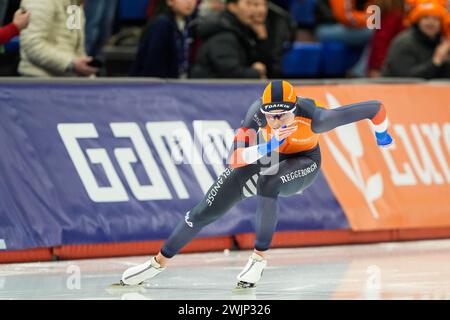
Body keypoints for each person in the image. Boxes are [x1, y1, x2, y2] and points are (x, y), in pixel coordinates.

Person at [118, 80, 394, 289]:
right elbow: (237, 159)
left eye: (283, 116)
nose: (275, 121)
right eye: (270, 116)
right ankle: (158, 262)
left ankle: (259, 258)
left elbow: (376, 108)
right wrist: (272, 142)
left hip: (303, 161)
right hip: (266, 153)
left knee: (268, 182)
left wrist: (382, 136)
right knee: (204, 211)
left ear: (294, 109)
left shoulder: (317, 118)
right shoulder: (256, 116)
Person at [18, 0, 98, 77]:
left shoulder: (74, 3)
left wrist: (88, 74)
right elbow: (32, 45)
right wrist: (70, 63)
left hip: (68, 81)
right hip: (39, 82)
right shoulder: (39, 1)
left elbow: (77, 48)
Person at [190, 0, 267, 79]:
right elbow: (229, 72)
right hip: (208, 89)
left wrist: (261, 40)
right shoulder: (224, 34)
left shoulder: (241, 29)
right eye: (248, 4)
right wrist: (256, 73)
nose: (253, 9)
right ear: (232, 6)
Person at [382, 0, 450, 78]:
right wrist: (436, 61)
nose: (431, 23)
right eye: (426, 18)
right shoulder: (404, 42)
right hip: (395, 89)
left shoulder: (442, 43)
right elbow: (406, 77)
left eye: (436, 19)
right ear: (418, 21)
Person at [130, 0, 197, 78]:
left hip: (179, 85)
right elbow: (153, 68)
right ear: (169, 1)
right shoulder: (161, 25)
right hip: (155, 86)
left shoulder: (189, 24)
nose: (189, 2)